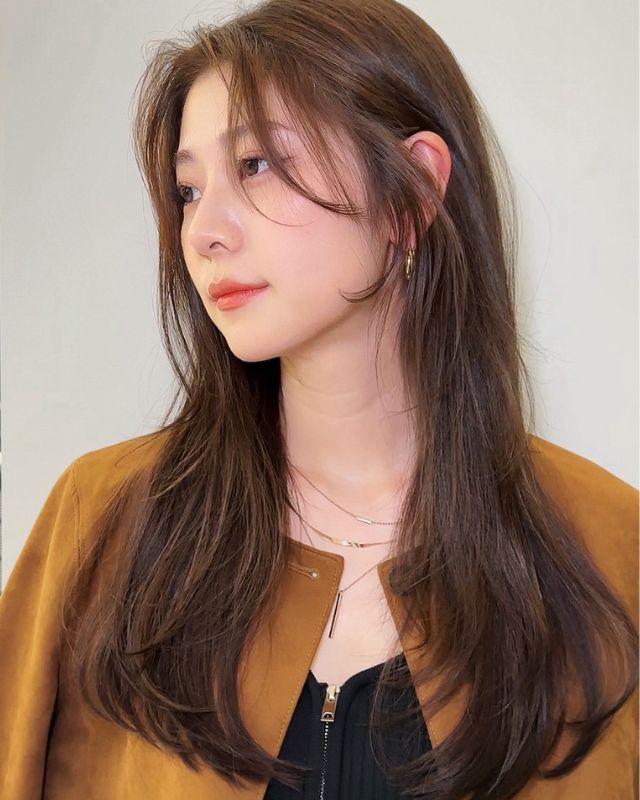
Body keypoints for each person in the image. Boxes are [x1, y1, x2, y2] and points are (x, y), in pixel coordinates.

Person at [0, 0, 637, 798]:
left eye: (256, 165)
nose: (203, 231)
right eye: (188, 189)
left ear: (413, 189)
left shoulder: (612, 551)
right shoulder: (102, 524)